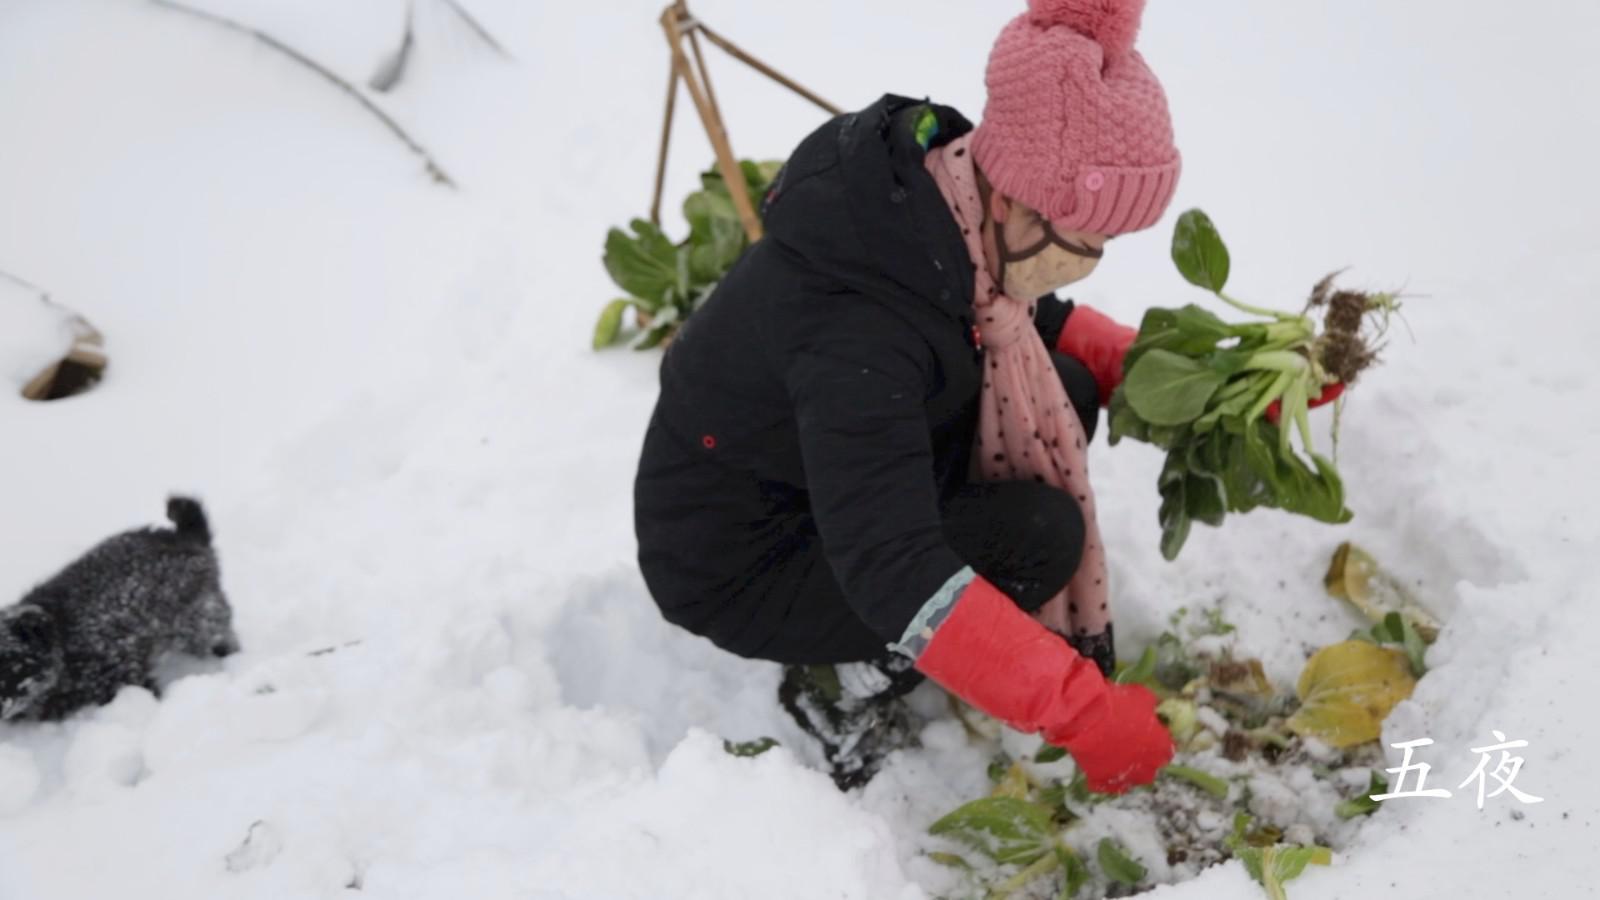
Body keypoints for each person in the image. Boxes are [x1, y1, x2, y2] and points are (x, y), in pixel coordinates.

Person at [633, 0, 1180, 791]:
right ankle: (837, 687)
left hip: (818, 478)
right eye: (1084, 239)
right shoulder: (856, 326)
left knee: (1060, 390)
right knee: (1036, 538)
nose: (1091, 258)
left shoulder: (945, 208)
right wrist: (1080, 711)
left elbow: (1037, 321)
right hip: (744, 558)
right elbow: (894, 567)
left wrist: (1182, 372)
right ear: (1014, 201)